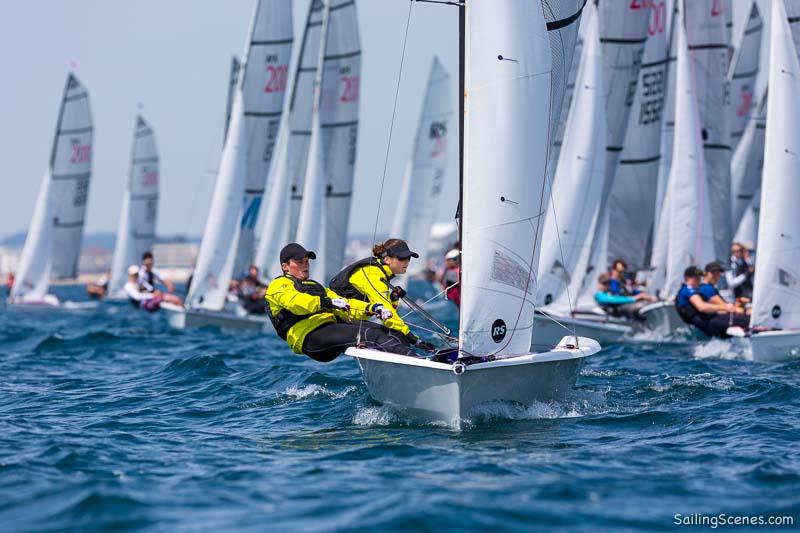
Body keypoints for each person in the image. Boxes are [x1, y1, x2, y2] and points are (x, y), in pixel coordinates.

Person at [265, 243, 414, 363]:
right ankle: (414, 362)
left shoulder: (314, 285)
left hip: (330, 327)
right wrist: (327, 302)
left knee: (393, 334)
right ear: (285, 267)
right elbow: (296, 303)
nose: (305, 265)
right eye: (299, 262)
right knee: (372, 335)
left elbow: (345, 304)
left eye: (306, 261)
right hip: (309, 336)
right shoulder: (278, 285)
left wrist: (372, 308)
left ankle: (414, 363)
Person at [329, 238, 435, 352]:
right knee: (397, 337)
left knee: (397, 336)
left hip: (349, 320)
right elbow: (387, 316)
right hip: (336, 321)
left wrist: (393, 298)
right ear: (387, 259)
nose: (406, 262)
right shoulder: (373, 275)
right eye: (402, 258)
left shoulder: (380, 274)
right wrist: (415, 340)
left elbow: (388, 310)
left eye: (408, 258)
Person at [675, 266, 749, 337]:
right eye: (695, 278)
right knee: (749, 320)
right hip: (709, 323)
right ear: (687, 278)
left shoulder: (689, 290)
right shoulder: (688, 290)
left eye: (699, 277)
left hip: (709, 322)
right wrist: (725, 307)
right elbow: (702, 307)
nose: (699, 280)